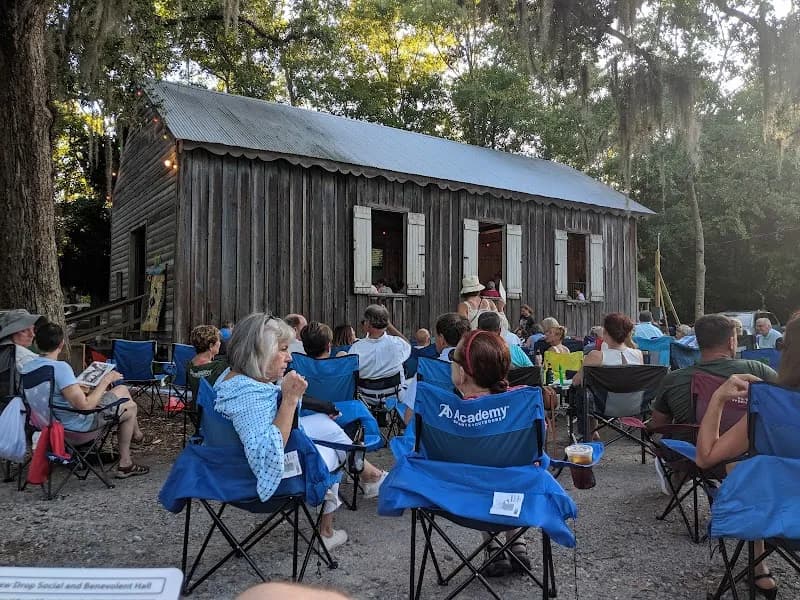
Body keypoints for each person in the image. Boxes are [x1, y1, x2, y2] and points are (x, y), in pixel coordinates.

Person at [214, 314, 380, 552]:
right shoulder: (249, 398)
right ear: (259, 352)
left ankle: (368, 474)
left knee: (327, 426)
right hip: (263, 476)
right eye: (283, 349)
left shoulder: (233, 378)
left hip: (233, 458)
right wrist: (290, 399)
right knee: (337, 452)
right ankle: (327, 531)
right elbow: (267, 457)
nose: (289, 357)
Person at [695, 315, 800, 598]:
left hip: (771, 513)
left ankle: (759, 564)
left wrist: (718, 398)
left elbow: (705, 457)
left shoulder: (772, 405)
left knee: (743, 467)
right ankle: (759, 566)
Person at [21, 323, 150, 478]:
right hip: (74, 429)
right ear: (62, 344)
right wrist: (105, 380)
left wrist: (78, 386)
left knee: (122, 390)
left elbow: (52, 394)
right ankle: (126, 463)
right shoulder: (60, 368)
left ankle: (137, 435)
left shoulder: (27, 367)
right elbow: (85, 406)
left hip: (45, 425)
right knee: (130, 407)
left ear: (36, 343)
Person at [449, 329, 531, 575]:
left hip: (464, 495)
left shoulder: (445, 411)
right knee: (505, 471)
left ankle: (493, 545)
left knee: (479, 474)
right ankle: (516, 542)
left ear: (461, 373)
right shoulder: (523, 403)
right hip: (520, 487)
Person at [649, 314, 777, 433]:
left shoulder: (673, 379)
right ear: (731, 343)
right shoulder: (757, 369)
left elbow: (659, 426)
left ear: (698, 343)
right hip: (748, 452)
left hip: (689, 453)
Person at [348, 304, 411, 400]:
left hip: (366, 397)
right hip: (393, 396)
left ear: (368, 324)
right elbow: (407, 345)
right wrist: (389, 325)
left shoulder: (356, 348)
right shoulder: (397, 343)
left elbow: (351, 372)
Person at [187, 325, 228, 398]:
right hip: (213, 406)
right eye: (218, 340)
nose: (220, 343)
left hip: (196, 405)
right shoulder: (219, 367)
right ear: (211, 345)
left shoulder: (189, 365)